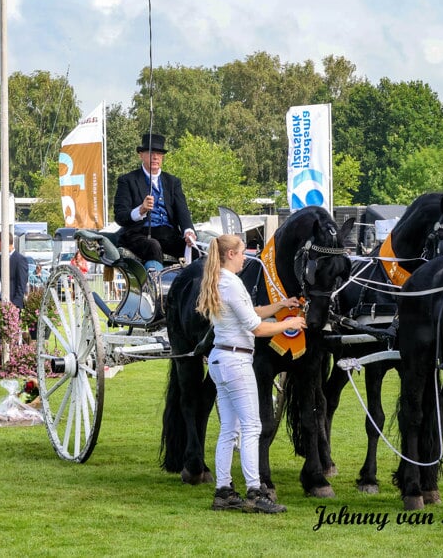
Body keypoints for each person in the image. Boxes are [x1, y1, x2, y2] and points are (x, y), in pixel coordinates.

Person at [197, 234, 305, 514]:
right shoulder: (231, 283)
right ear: (231, 254)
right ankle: (255, 491)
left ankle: (223, 491)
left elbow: (252, 313)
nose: (246, 257)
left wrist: (280, 307)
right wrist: (289, 323)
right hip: (236, 360)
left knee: (229, 430)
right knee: (251, 427)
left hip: (221, 359)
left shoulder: (221, 281)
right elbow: (256, 328)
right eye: (243, 252)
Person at [114, 132, 197, 272]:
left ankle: (194, 288)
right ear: (141, 154)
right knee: (153, 245)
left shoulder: (172, 182)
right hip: (138, 234)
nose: (155, 157)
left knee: (195, 249)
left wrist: (188, 232)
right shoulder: (127, 180)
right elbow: (120, 216)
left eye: (159, 153)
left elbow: (182, 212)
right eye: (151, 152)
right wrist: (140, 210)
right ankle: (154, 285)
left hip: (167, 233)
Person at [2, 232, 29, 311]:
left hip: (13, 303)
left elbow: (22, 283)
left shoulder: (20, 259)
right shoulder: (0, 258)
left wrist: (16, 303)